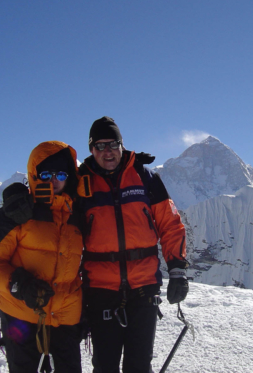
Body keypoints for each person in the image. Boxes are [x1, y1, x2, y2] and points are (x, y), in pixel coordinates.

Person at [78, 116, 189, 373]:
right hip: (101, 292)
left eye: (113, 144)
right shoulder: (81, 184)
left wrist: (177, 271)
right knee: (104, 366)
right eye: (100, 146)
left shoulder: (145, 177)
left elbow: (171, 225)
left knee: (139, 366)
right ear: (91, 149)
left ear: (122, 145)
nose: (107, 152)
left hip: (144, 291)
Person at [0, 141, 84, 373]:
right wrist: (20, 285)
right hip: (21, 315)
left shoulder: (78, 213)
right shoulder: (17, 211)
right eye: (46, 173)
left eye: (61, 173)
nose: (54, 180)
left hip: (66, 316)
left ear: (70, 177)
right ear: (35, 175)